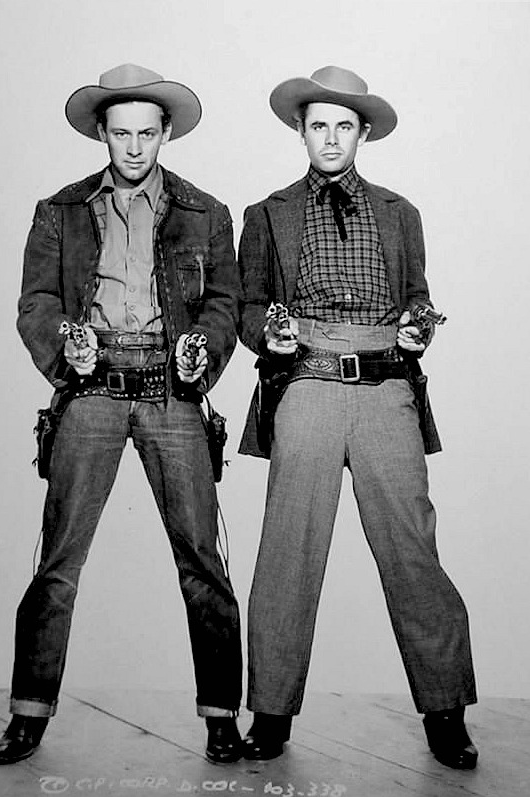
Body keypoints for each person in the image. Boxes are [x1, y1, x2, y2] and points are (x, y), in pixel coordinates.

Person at [0, 64, 243, 766]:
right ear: (102, 133)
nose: (134, 147)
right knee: (59, 558)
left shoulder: (207, 212)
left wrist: (201, 350)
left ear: (166, 133)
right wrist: (64, 346)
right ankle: (28, 712)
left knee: (202, 558)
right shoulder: (60, 210)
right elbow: (36, 302)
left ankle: (221, 715)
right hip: (91, 385)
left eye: (147, 133)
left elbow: (224, 303)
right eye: (121, 133)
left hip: (172, 388)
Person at [237, 66, 478, 769]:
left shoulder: (401, 212)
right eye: (318, 125)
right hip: (307, 378)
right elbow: (249, 305)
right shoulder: (268, 213)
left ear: (363, 133)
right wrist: (269, 335)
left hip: (385, 385)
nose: (330, 138)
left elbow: (417, 297)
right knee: (289, 546)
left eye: (344, 126)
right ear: (301, 130)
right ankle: (270, 713)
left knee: (412, 544)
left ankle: (445, 710)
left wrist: (417, 328)